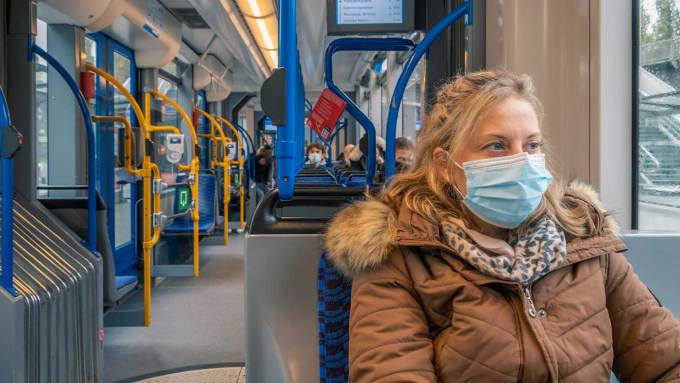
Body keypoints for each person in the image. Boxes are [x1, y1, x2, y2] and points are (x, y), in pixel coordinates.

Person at [324, 70, 680, 382]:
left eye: (532, 145)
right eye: (496, 146)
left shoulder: (584, 236)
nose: (520, 161)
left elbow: (664, 358)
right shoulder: (401, 254)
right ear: (446, 164)